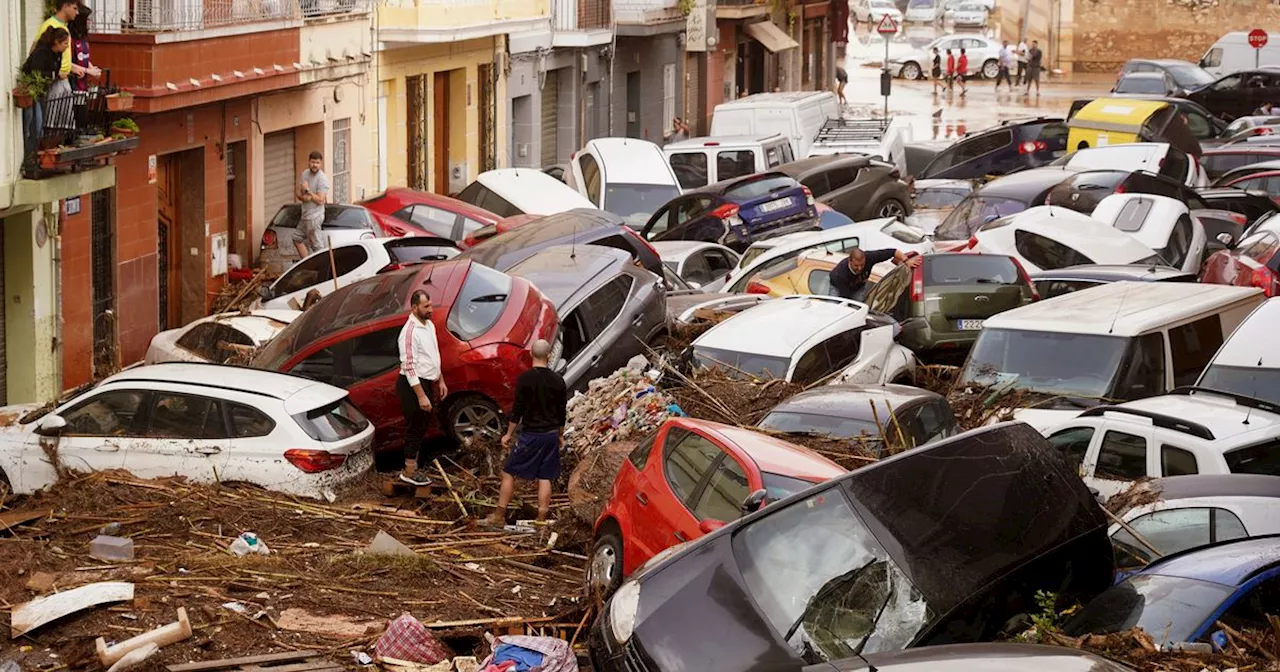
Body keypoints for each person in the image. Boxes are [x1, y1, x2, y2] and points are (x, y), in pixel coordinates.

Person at [489, 339, 567, 527]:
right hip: (549, 436)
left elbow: (517, 411)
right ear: (549, 357)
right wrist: (560, 435)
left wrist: (508, 434)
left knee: (508, 473)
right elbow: (561, 413)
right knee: (545, 477)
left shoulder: (524, 380)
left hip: (531, 435)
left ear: (531, 355)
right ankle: (541, 519)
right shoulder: (558, 381)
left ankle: (499, 515)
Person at [396, 290, 448, 487]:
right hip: (413, 386)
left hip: (428, 381)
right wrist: (421, 396)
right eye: (426, 307)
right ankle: (409, 470)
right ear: (415, 307)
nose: (430, 310)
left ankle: (415, 465)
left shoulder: (429, 325)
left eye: (430, 305)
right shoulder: (409, 332)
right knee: (415, 426)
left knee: (424, 424)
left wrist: (440, 379)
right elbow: (409, 366)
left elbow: (433, 355)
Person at [21, 27, 72, 159]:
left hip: (43, 91)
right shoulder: (41, 53)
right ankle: (29, 156)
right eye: (65, 43)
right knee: (34, 123)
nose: (67, 47)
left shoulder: (57, 55)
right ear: (56, 42)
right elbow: (35, 72)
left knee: (40, 123)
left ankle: (34, 154)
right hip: (32, 90)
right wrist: (55, 74)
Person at [829, 248, 923, 302]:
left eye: (862, 265)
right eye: (856, 266)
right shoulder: (840, 274)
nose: (860, 268)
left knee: (858, 308)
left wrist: (907, 261)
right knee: (837, 308)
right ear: (850, 261)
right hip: (838, 288)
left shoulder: (870, 257)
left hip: (858, 287)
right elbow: (845, 298)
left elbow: (894, 252)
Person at [67, 4, 100, 129]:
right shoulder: (70, 39)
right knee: (78, 116)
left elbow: (85, 57)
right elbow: (67, 62)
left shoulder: (83, 38)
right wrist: (87, 71)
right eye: (86, 19)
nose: (89, 22)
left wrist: (92, 69)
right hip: (74, 85)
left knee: (84, 114)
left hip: (84, 85)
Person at [294, 150, 329, 258]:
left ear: (321, 164)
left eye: (317, 163)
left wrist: (308, 191)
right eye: (313, 162)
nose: (315, 165)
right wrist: (304, 197)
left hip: (314, 216)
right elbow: (298, 193)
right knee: (296, 238)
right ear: (309, 162)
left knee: (317, 246)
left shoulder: (322, 179)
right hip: (305, 215)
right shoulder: (305, 174)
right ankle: (306, 264)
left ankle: (322, 269)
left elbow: (320, 200)